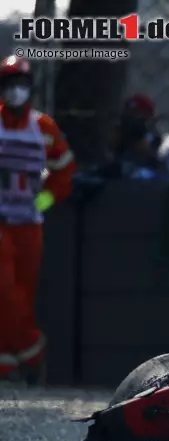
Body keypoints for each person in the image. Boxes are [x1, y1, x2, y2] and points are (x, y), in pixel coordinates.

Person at [0, 54, 76, 383]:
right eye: (9, 84)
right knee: (4, 288)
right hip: (1, 221)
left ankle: (8, 363)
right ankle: (33, 348)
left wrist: (44, 200)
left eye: (21, 84)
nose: (15, 91)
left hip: (30, 223)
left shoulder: (44, 127)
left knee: (24, 292)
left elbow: (65, 170)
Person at [104, 94, 169, 180]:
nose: (133, 126)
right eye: (128, 119)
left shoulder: (167, 145)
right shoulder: (121, 146)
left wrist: (152, 156)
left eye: (139, 118)